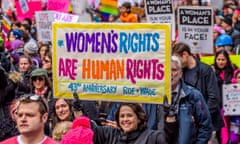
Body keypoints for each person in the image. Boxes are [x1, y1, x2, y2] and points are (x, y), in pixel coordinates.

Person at [172, 42, 224, 143]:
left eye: (177, 58)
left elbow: (213, 98)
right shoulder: (180, 72)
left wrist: (200, 115)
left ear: (185, 55)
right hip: (188, 127)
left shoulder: (206, 70)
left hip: (209, 123)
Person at [162, 56, 212, 144]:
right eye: (166, 70)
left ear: (181, 73)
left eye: (174, 70)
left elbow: (205, 126)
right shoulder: (154, 96)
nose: (170, 73)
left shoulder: (194, 95)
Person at [94, 103, 167, 144]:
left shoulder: (153, 137)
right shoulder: (110, 134)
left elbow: (168, 138)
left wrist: (170, 121)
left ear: (139, 118)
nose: (125, 119)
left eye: (129, 115)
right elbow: (90, 128)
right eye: (122, 116)